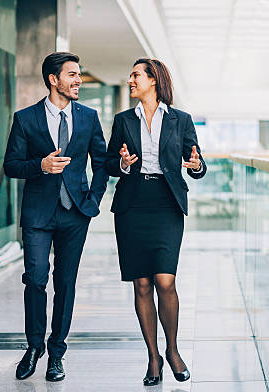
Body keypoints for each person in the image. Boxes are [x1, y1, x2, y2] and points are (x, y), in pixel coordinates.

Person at [3, 52, 109, 382]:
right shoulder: (26, 118)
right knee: (35, 279)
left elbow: (101, 162)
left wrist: (92, 199)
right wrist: (40, 165)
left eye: (79, 75)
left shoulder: (89, 117)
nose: (78, 80)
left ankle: (57, 352)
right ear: (54, 79)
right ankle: (34, 346)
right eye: (72, 74)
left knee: (65, 283)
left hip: (76, 213)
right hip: (37, 213)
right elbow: (10, 165)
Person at [105, 58, 206, 386]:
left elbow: (197, 162)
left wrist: (195, 164)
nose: (131, 80)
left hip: (166, 203)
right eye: (131, 74)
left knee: (165, 280)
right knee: (142, 283)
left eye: (136, 75)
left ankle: (173, 350)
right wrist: (121, 163)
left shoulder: (180, 120)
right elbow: (108, 163)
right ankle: (153, 357)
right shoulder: (123, 120)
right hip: (132, 204)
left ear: (154, 80)